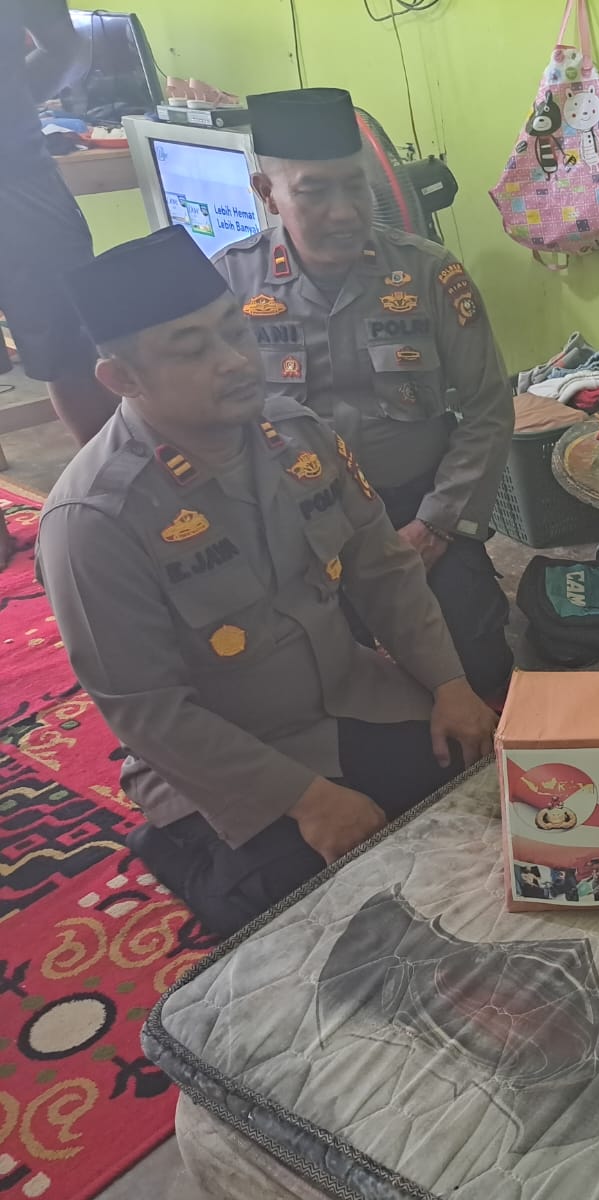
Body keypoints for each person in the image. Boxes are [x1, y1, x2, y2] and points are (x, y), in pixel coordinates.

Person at [37, 226, 498, 936]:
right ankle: (179, 850)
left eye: (233, 330)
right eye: (191, 349)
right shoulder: (94, 520)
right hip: (224, 755)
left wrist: (448, 683)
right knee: (291, 901)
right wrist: (308, 800)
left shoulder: (297, 433)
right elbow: (149, 711)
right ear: (123, 379)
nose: (233, 361)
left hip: (347, 700)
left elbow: (384, 570)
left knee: (477, 769)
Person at [210, 87, 514, 701]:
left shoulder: (428, 272)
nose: (346, 211)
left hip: (414, 509)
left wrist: (436, 525)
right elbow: (206, 422)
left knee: (480, 669)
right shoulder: (227, 285)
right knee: (303, 686)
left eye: (356, 186)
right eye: (314, 191)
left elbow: (488, 408)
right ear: (266, 193)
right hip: (291, 525)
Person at [0, 0, 120, 444]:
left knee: (74, 349)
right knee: (75, 353)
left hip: (21, 178)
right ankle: (116, 478)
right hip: (21, 176)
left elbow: (63, 45)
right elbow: (63, 46)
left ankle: (114, 476)